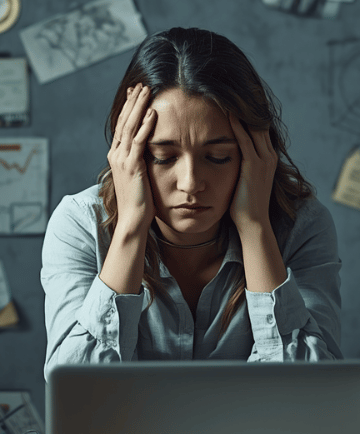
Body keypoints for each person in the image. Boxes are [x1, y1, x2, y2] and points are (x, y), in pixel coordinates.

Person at [41, 27, 342, 381]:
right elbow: (77, 390)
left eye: (218, 157)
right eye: (163, 157)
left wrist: (255, 226)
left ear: (256, 155)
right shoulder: (80, 224)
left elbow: (310, 390)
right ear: (128, 153)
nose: (191, 183)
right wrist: (131, 227)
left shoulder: (302, 225)